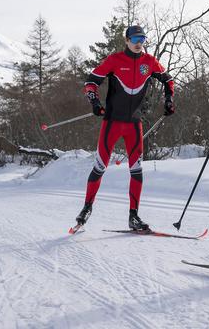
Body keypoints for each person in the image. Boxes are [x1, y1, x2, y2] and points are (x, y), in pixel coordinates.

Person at [74, 25, 175, 232]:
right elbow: (91, 83)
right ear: (127, 40)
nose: (139, 43)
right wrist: (95, 103)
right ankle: (86, 208)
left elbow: (168, 80)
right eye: (135, 39)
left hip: (134, 124)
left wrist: (169, 100)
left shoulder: (149, 62)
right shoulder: (115, 60)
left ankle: (133, 216)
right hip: (112, 123)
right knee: (100, 167)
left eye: (142, 39)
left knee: (137, 170)